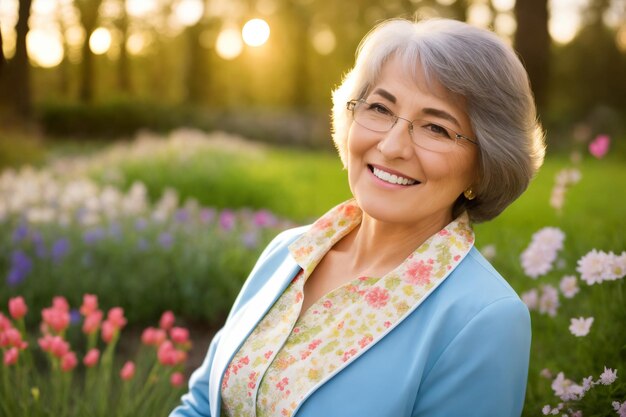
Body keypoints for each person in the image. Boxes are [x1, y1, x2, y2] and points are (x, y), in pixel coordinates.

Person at [170, 17, 545, 417]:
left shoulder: (486, 319)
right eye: (380, 108)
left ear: (485, 163)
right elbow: (199, 406)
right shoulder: (288, 253)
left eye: (436, 128)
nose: (392, 145)